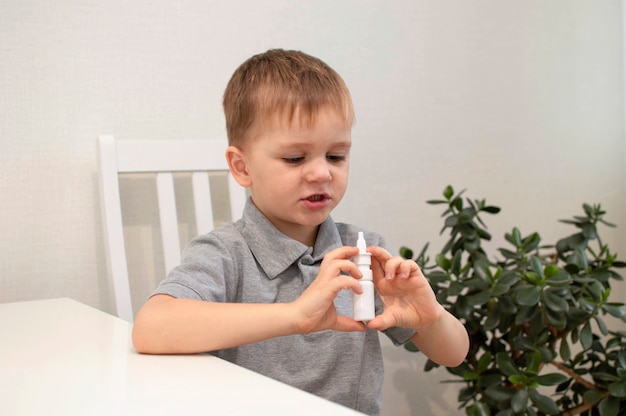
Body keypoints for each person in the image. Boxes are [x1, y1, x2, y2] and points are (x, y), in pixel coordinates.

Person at [132, 48, 469, 415]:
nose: (322, 173)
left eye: (336, 156)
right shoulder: (224, 253)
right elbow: (151, 328)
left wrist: (430, 317)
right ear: (242, 167)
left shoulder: (365, 253)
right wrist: (294, 315)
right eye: (295, 158)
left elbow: (454, 354)